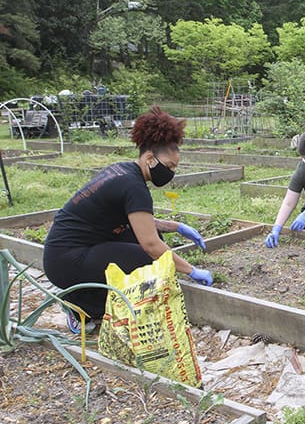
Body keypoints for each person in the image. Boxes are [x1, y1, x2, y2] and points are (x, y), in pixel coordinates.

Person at [43, 106, 213, 334]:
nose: (171, 173)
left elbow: (141, 224)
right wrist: (191, 270)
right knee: (149, 258)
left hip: (71, 251)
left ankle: (103, 297)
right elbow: (151, 245)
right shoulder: (134, 187)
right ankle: (81, 305)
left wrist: (178, 227)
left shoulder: (123, 171)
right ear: (150, 158)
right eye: (170, 166)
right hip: (66, 261)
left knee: (151, 243)